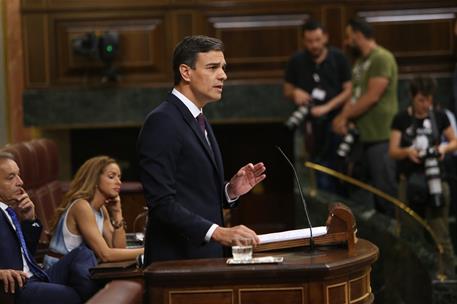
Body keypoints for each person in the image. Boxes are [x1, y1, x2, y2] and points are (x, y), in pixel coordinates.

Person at [137, 35, 266, 264]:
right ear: (186, 72)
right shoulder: (162, 121)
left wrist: (230, 191)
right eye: (213, 67)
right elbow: (161, 203)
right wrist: (219, 232)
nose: (223, 75)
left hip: (202, 259)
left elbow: (193, 194)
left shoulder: (198, 118)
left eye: (223, 68)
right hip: (176, 263)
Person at [0, 152, 98, 303]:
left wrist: (29, 220)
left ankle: (91, 296)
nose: (20, 182)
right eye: (10, 177)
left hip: (36, 275)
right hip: (16, 287)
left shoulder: (9, 210)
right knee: (73, 296)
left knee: (82, 253)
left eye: (18, 175)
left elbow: (26, 254)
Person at [389, 75, 457, 278]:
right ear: (411, 96)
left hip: (436, 180)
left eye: (429, 99)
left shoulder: (440, 116)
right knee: (409, 234)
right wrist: (407, 152)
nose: (426, 104)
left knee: (441, 235)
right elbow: (393, 151)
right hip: (409, 182)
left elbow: (454, 141)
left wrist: (444, 148)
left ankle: (448, 281)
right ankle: (413, 279)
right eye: (421, 100)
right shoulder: (401, 118)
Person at [333, 18, 398, 216]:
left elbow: (372, 97)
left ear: (359, 35)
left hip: (381, 135)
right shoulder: (361, 61)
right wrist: (347, 118)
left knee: (384, 193)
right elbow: (356, 95)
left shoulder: (381, 58)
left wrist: (343, 116)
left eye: (349, 36)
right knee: (360, 191)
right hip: (361, 135)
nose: (347, 41)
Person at [284, 19, 352, 192]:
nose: (314, 45)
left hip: (335, 120)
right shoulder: (297, 60)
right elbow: (287, 89)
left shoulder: (339, 58)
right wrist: (295, 93)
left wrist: (327, 107)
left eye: (317, 40)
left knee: (337, 168)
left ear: (325, 38)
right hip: (308, 125)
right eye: (309, 41)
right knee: (310, 169)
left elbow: (349, 90)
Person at [43, 156, 143, 269]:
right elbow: (105, 255)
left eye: (119, 177)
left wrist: (117, 213)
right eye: (111, 176)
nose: (118, 182)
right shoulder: (81, 206)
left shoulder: (101, 209)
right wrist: (147, 251)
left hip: (78, 270)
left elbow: (118, 248)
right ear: (95, 179)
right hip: (58, 273)